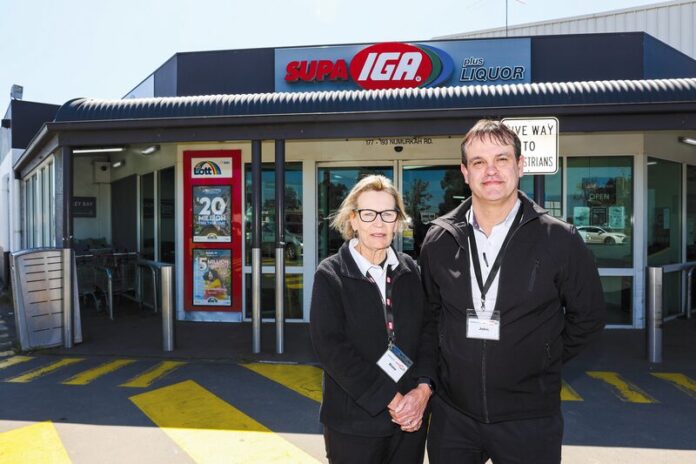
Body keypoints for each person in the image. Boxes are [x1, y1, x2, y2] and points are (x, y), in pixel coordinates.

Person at [420, 119, 606, 464]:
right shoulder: (439, 239)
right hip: (454, 416)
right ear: (464, 172)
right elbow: (431, 318)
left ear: (520, 165)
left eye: (501, 159)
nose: (490, 171)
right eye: (478, 162)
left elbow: (589, 317)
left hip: (530, 418)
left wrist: (542, 357)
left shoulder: (559, 238)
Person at [310, 174, 437, 464]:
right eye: (368, 214)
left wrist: (422, 391)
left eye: (387, 214)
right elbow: (331, 349)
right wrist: (392, 401)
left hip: (409, 421)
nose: (378, 223)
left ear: (397, 221)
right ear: (353, 220)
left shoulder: (409, 271)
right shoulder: (330, 274)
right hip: (353, 423)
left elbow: (429, 333)